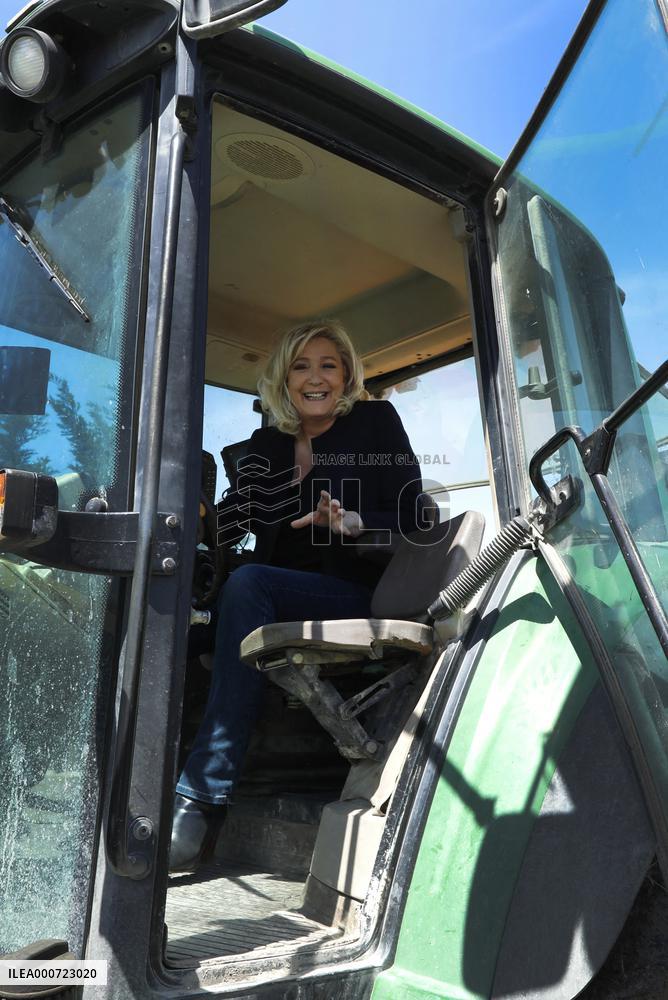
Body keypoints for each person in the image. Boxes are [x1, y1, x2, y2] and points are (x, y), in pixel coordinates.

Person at [170, 319, 423, 871]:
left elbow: (414, 514)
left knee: (249, 584)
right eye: (301, 366)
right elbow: (238, 523)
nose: (315, 378)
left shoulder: (375, 423)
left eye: (328, 365)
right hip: (268, 590)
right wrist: (201, 516)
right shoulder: (267, 443)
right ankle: (135, 778)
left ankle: (200, 798)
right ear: (283, 380)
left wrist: (354, 520)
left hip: (357, 589)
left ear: (346, 374)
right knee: (173, 618)